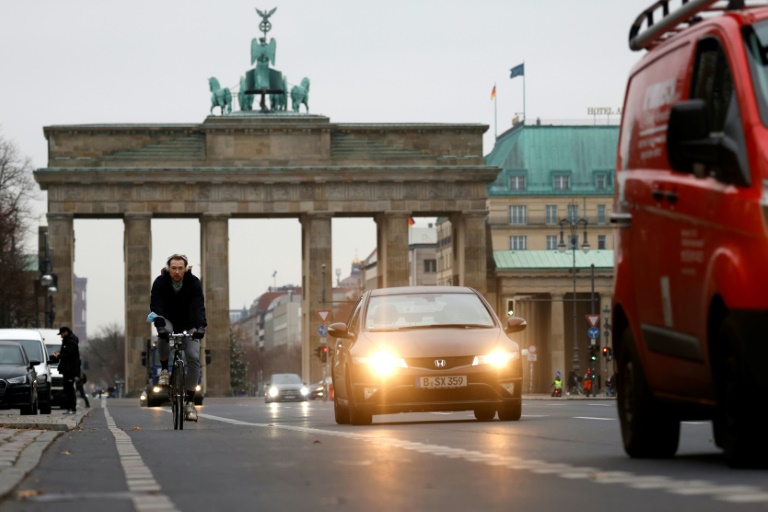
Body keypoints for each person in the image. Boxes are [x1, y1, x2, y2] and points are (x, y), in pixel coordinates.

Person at [150, 254, 207, 422]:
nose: (176, 271)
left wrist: (201, 326)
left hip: (189, 323)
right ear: (168, 268)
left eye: (180, 268)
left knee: (193, 357)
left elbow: (199, 306)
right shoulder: (160, 283)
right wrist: (159, 324)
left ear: (185, 269)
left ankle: (189, 402)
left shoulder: (193, 283)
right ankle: (165, 370)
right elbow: (156, 305)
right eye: (173, 268)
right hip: (167, 319)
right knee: (162, 335)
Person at [51, 326, 81, 415]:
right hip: (68, 369)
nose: (61, 336)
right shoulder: (69, 340)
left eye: (62, 334)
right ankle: (70, 408)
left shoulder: (70, 341)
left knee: (69, 389)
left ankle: (72, 408)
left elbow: (69, 354)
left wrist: (59, 356)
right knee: (67, 388)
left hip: (70, 369)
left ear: (65, 332)